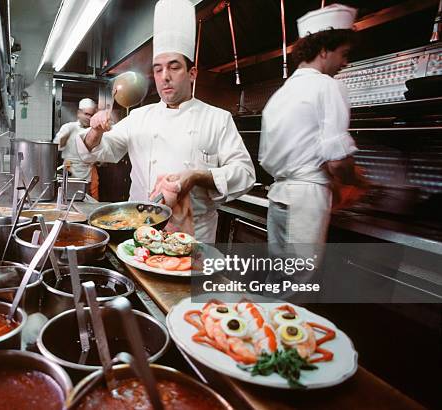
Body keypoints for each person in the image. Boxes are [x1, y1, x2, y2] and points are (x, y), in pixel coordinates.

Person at [76, 0, 255, 243]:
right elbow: (96, 151)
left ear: (192, 74)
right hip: (140, 229)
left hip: (193, 236)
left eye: (174, 68)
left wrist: (197, 176)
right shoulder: (139, 117)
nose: (165, 77)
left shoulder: (217, 119)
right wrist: (95, 130)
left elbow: (244, 173)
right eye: (158, 69)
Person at [259, 4, 366, 249]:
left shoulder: (281, 94)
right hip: (306, 202)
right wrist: (357, 181)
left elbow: (266, 156)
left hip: (278, 197)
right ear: (325, 50)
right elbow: (337, 161)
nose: (345, 62)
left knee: (278, 277)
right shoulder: (327, 86)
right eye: (344, 53)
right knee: (298, 283)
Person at [53, 98, 99, 198]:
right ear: (79, 113)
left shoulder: (95, 130)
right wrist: (65, 137)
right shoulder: (69, 127)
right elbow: (57, 146)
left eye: (92, 115)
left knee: (91, 200)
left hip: (89, 171)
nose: (89, 118)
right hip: (71, 171)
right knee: (70, 198)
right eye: (86, 114)